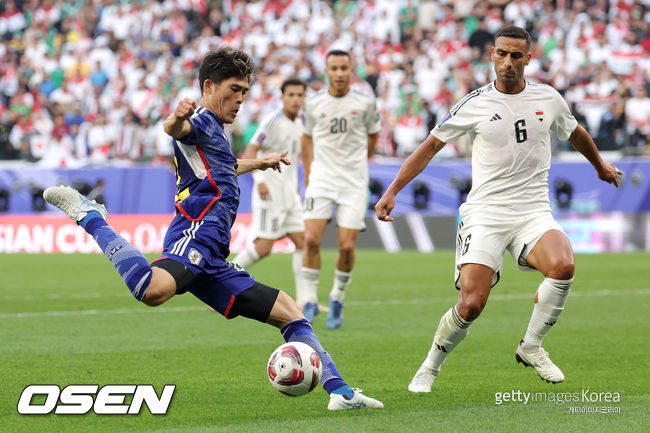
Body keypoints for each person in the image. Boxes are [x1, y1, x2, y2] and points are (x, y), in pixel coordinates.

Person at [44, 47, 382, 411]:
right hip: (196, 230)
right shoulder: (202, 120)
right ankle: (91, 216)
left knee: (290, 310)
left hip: (213, 251)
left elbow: (222, 168)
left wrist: (260, 163)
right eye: (234, 89)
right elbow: (177, 130)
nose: (240, 100)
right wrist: (175, 118)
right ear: (209, 86)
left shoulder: (217, 132)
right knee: (151, 290)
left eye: (245, 92)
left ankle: (341, 393)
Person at [375, 26, 622, 392]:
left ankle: (532, 346)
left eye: (516, 56)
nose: (508, 62)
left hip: (532, 210)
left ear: (528, 59)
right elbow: (429, 147)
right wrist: (393, 190)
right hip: (485, 212)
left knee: (564, 265)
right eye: (501, 54)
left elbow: (575, 133)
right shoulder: (474, 103)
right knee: (472, 303)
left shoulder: (549, 98)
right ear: (491, 54)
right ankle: (430, 366)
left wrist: (599, 165)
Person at [300, 49, 380, 329]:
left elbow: (373, 136)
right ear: (326, 70)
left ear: (351, 69)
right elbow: (306, 138)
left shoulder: (366, 102)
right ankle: (309, 299)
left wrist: (357, 162)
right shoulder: (312, 103)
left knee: (346, 247)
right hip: (322, 179)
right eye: (334, 68)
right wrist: (309, 171)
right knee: (311, 240)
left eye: (344, 68)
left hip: (353, 181)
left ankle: (337, 297)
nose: (339, 73)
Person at [233, 78, 307, 303]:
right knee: (263, 248)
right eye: (290, 95)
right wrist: (258, 179)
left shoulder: (301, 123)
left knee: (304, 243)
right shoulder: (273, 121)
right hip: (270, 192)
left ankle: (305, 302)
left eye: (299, 95)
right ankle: (221, 284)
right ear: (282, 97)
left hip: (290, 195)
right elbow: (250, 150)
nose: (295, 99)